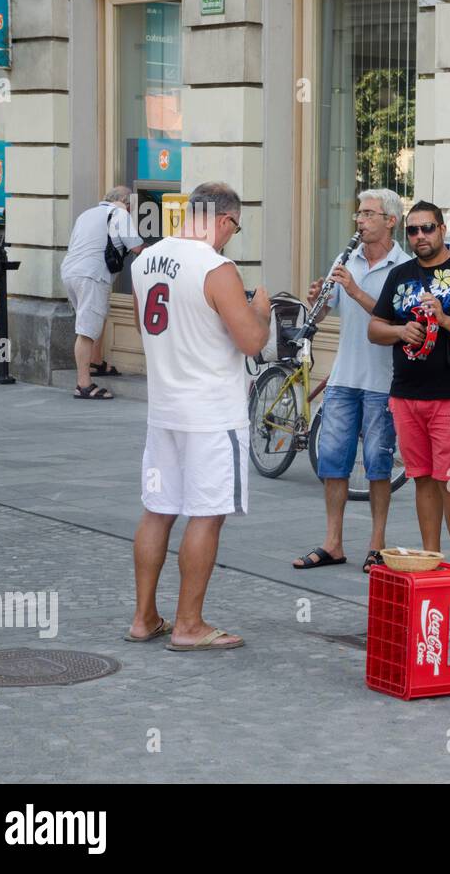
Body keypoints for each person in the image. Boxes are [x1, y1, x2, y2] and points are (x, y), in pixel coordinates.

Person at [126, 182, 270, 650]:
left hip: (163, 407)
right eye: (235, 228)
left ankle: (144, 617)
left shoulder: (145, 259)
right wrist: (261, 311)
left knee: (157, 511)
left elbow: (141, 324)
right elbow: (251, 342)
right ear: (225, 220)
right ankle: (189, 625)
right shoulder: (216, 266)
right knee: (206, 516)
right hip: (211, 412)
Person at [368, 201, 450, 568]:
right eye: (413, 230)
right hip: (406, 395)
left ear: (442, 229)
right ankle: (431, 560)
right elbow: (374, 329)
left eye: (427, 228)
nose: (420, 236)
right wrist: (398, 330)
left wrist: (444, 317)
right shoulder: (400, 275)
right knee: (422, 479)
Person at [293, 188, 410, 573]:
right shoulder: (347, 259)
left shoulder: (403, 267)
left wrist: (354, 290)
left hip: (383, 380)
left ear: (390, 221)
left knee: (378, 464)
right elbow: (325, 312)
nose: (360, 220)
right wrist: (320, 300)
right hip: (344, 377)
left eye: (369, 214)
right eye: (359, 213)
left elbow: (394, 320)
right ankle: (333, 542)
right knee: (332, 461)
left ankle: (377, 544)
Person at [60, 186, 143, 399]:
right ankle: (83, 384)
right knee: (86, 330)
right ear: (126, 202)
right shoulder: (120, 213)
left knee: (98, 316)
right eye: (131, 206)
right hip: (92, 275)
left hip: (71, 271)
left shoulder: (86, 214)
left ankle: (96, 362)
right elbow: (136, 248)